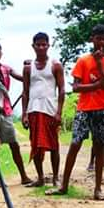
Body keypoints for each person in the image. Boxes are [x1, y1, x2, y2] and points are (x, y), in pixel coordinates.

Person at [46, 24, 104, 200]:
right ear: (91, 39)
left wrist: (100, 64)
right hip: (84, 109)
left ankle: (98, 189)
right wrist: (95, 85)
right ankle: (63, 185)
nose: (101, 42)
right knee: (75, 144)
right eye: (97, 38)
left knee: (100, 148)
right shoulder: (83, 61)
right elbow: (76, 87)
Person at [0, 40, 32, 187]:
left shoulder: (6, 69)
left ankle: (24, 175)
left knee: (14, 144)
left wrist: (28, 69)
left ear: (1, 52)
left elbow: (23, 78)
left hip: (4, 112)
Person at [22, 32, 65, 187]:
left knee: (54, 146)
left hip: (50, 111)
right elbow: (25, 92)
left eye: (43, 44)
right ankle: (40, 177)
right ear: (33, 46)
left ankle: (55, 177)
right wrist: (24, 114)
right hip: (33, 110)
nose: (41, 47)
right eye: (38, 44)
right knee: (36, 146)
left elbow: (61, 90)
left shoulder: (55, 66)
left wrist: (59, 112)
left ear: (48, 45)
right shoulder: (28, 68)